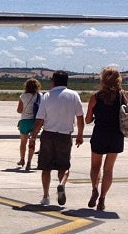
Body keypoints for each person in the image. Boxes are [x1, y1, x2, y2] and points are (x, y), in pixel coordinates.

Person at [28, 70, 84, 206]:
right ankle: (61, 184)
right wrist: (80, 135)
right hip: (65, 135)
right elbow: (80, 117)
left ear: (53, 81)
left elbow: (39, 120)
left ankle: (46, 196)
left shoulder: (47, 96)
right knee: (64, 166)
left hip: (48, 135)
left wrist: (33, 137)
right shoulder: (73, 95)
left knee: (45, 167)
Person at [85, 67, 127, 211]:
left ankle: (94, 188)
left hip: (100, 134)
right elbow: (127, 112)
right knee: (108, 169)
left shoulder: (95, 97)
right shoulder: (122, 95)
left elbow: (88, 120)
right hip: (116, 135)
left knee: (95, 166)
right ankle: (102, 198)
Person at [16, 78, 42, 171]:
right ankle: (29, 161)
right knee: (32, 142)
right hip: (35, 122)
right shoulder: (40, 96)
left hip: (24, 122)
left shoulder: (22, 96)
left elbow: (19, 110)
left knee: (23, 142)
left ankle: (22, 159)